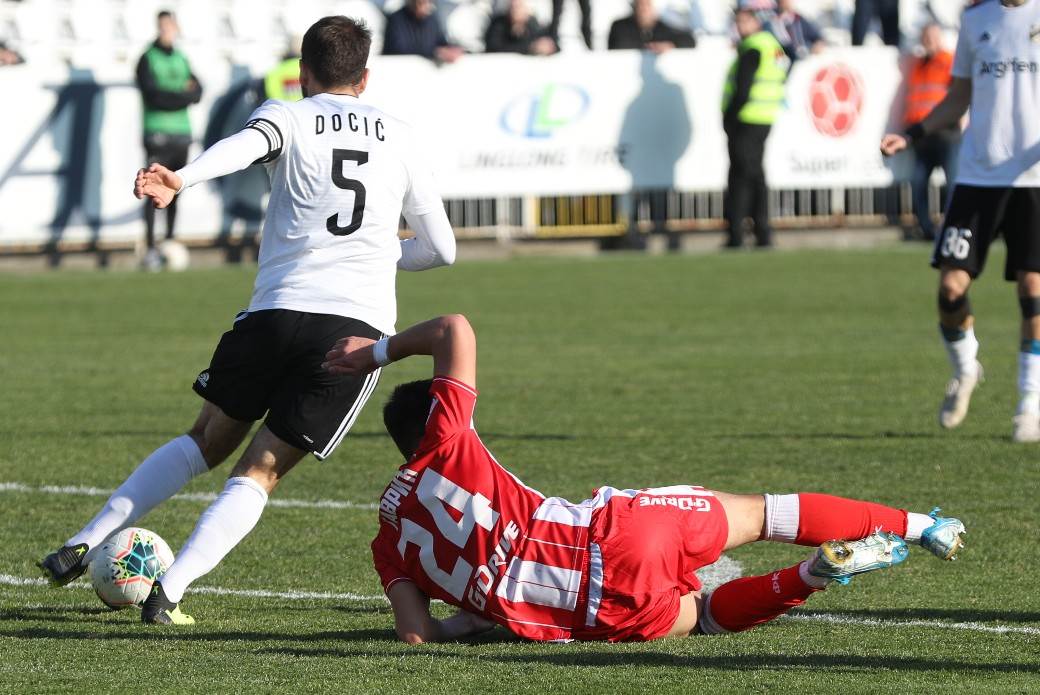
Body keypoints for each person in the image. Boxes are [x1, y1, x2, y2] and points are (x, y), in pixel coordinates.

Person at [37, 15, 457, 625]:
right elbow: (441, 249)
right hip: (352, 329)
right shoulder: (401, 135)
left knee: (206, 437)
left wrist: (179, 178)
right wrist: (381, 250)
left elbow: (245, 147)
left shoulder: (286, 114)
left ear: (304, 73)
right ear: (365, 78)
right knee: (260, 468)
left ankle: (84, 538)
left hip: (273, 310)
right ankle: (169, 592)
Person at [320, 314, 966, 643]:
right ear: (435, 417)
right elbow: (454, 328)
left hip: (588, 611)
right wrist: (371, 354)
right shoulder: (448, 437)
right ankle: (923, 525)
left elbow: (415, 633)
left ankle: (808, 578)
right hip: (616, 532)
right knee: (766, 514)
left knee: (707, 615)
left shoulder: (387, 536)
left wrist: (477, 616)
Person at [880, 0, 1040, 442]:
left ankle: (1029, 402)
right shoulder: (976, 19)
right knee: (951, 288)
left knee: (1033, 288)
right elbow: (958, 97)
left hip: (1033, 177)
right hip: (977, 176)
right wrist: (912, 133)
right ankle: (967, 368)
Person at [135, 11, 203, 271]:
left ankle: (170, 240)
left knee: (176, 188)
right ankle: (151, 247)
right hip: (157, 132)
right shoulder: (147, 58)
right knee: (152, 188)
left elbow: (198, 90)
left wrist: (175, 97)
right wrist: (181, 96)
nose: (167, 30)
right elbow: (154, 96)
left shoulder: (181, 57)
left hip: (181, 132)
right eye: (163, 26)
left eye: (170, 26)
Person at [722, 5, 788, 249]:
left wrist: (729, 117)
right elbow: (784, 70)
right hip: (765, 117)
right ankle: (763, 232)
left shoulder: (752, 48)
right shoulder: (774, 46)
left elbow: (742, 89)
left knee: (741, 177)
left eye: (744, 22)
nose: (740, 27)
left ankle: (737, 234)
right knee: (756, 175)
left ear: (755, 22)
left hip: (746, 119)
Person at [901, 23, 959, 242]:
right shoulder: (918, 64)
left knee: (953, 183)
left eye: (932, 37)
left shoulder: (948, 60)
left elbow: (957, 94)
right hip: (922, 135)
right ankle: (926, 229)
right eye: (926, 37)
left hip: (945, 132)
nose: (929, 41)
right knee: (918, 183)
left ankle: (953, 227)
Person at [382, 0, 464, 64]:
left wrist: (452, 49)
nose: (424, 5)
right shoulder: (396, 19)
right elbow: (399, 49)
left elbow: (441, 42)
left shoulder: (432, 20)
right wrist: (435, 52)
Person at [607, 0, 697, 54]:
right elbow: (618, 46)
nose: (644, 9)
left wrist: (670, 45)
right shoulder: (620, 27)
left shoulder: (662, 28)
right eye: (640, 5)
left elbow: (689, 40)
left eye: (647, 5)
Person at [484, 0, 558, 55]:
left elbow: (550, 43)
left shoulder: (533, 25)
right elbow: (494, 47)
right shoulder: (499, 24)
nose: (516, 10)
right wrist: (530, 47)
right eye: (513, 7)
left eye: (519, 7)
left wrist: (547, 47)